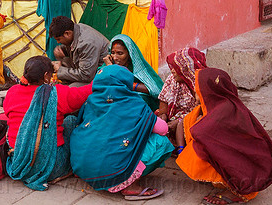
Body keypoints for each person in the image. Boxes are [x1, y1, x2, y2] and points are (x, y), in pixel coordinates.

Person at [70, 64, 174, 201]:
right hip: (112, 172)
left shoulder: (91, 100)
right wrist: (152, 119)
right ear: (126, 82)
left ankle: (97, 171)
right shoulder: (133, 102)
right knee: (162, 142)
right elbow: (163, 129)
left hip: (83, 169)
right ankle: (130, 185)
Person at [176, 68, 272, 204]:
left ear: (208, 90)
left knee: (196, 150)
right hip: (246, 160)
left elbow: (200, 132)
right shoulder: (218, 104)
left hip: (249, 169)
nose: (194, 91)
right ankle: (224, 178)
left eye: (198, 88)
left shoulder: (223, 110)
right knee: (192, 126)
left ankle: (235, 191)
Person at [4, 56, 92, 190]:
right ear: (46, 76)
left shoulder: (12, 92)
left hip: (19, 163)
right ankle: (67, 169)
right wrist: (104, 72)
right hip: (52, 167)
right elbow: (88, 91)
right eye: (51, 75)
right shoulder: (56, 93)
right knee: (71, 120)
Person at [156, 47, 207, 153]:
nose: (173, 71)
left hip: (193, 121)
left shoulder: (202, 83)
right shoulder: (172, 80)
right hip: (172, 122)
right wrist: (164, 120)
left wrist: (182, 121)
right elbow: (163, 109)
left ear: (187, 68)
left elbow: (205, 112)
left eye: (177, 67)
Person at [102, 34, 163, 110]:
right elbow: (99, 85)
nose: (115, 57)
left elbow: (156, 90)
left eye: (120, 53)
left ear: (129, 53)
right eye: (113, 53)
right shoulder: (107, 66)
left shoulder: (137, 68)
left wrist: (128, 85)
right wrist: (110, 68)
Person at [50, 16, 109, 86]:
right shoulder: (75, 29)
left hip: (99, 74)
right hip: (88, 67)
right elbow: (75, 47)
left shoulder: (86, 43)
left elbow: (86, 75)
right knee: (64, 62)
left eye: (59, 39)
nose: (58, 42)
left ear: (67, 33)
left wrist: (60, 70)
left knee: (72, 89)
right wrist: (63, 50)